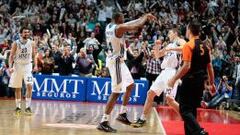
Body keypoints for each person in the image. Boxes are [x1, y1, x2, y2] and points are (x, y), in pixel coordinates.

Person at [97, 12, 156, 133]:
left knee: (130, 85)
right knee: (116, 92)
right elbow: (135, 25)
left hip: (119, 61)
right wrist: (145, 17)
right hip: (116, 62)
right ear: (118, 19)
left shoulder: (110, 26)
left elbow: (131, 24)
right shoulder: (118, 28)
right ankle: (103, 121)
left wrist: (141, 18)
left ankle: (122, 114)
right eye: (122, 19)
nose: (124, 20)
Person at [167, 21, 215, 135]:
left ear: (189, 30)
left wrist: (173, 79)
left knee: (184, 110)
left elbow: (186, 66)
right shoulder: (206, 46)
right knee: (191, 111)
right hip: (200, 83)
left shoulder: (189, 45)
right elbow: (210, 67)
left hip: (189, 81)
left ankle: (199, 131)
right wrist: (212, 83)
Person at [131, 28, 186, 128]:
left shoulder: (179, 41)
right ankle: (142, 119)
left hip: (173, 72)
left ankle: (188, 118)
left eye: (170, 32)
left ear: (175, 33)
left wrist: (171, 49)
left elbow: (185, 48)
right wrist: (157, 46)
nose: (168, 34)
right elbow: (157, 55)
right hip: (164, 72)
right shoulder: (169, 45)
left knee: (169, 100)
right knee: (150, 93)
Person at [8, 26, 37, 116]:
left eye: (28, 32)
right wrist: (10, 67)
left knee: (29, 85)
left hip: (28, 66)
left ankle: (28, 107)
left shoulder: (32, 43)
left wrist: (36, 65)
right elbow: (11, 56)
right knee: (18, 87)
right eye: (25, 32)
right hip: (17, 66)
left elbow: (34, 55)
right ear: (21, 33)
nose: (27, 34)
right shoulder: (16, 43)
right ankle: (18, 107)